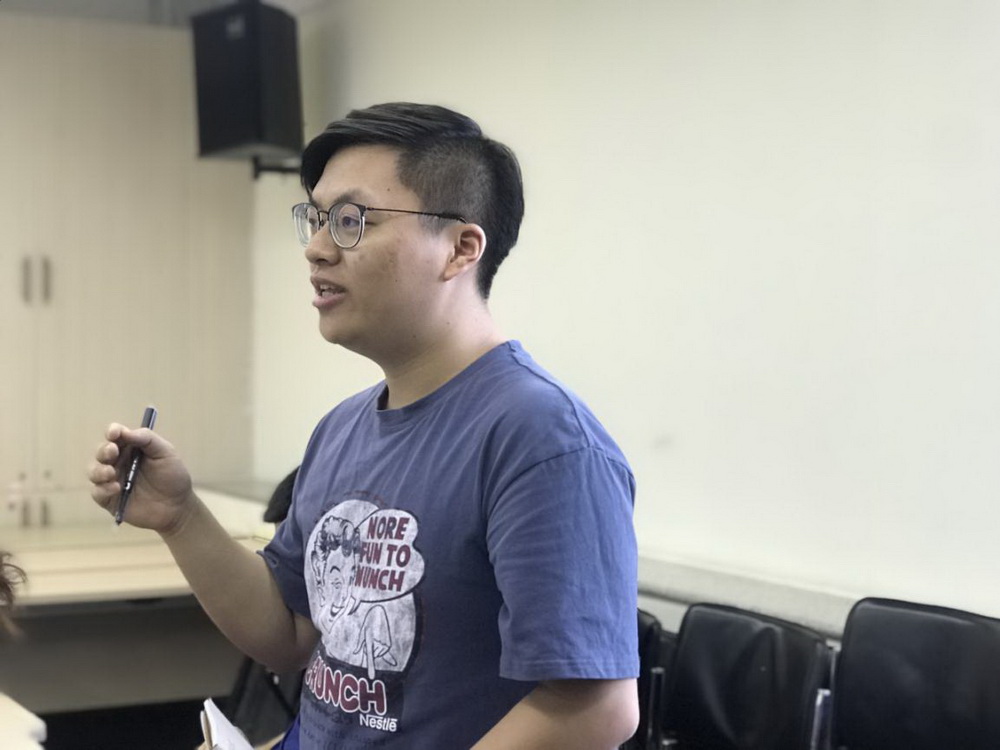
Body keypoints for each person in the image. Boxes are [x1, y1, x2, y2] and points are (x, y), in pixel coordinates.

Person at [89, 102, 640, 749]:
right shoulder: (343, 427)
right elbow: (290, 633)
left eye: (352, 221)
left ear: (460, 248)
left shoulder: (542, 438)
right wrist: (180, 517)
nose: (317, 249)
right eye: (316, 220)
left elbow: (594, 710)